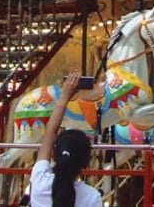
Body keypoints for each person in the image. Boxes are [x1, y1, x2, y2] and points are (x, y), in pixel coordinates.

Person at [28, 72, 102, 207]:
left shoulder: (39, 181)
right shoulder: (92, 197)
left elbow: (50, 132)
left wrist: (64, 96)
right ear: (85, 164)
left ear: (54, 156)